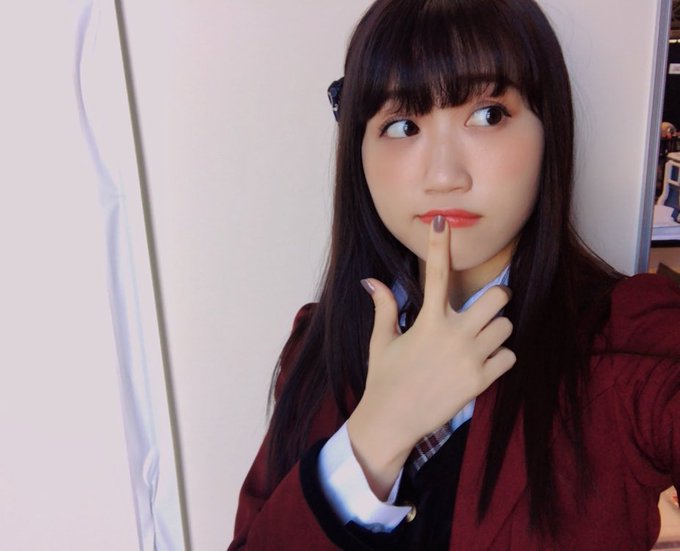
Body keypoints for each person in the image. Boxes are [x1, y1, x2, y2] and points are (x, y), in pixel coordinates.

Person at [228, 0, 680, 549]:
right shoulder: (318, 347)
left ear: (549, 127)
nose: (444, 175)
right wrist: (379, 432)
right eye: (402, 125)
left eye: (488, 115)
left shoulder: (633, 337)